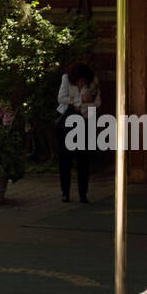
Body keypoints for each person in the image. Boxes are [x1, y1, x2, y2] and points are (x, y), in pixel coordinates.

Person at [55, 61, 100, 203]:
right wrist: (80, 101)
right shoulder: (66, 79)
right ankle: (65, 192)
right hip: (67, 121)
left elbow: (97, 102)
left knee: (83, 159)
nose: (81, 82)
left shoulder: (93, 84)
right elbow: (61, 98)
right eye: (79, 80)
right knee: (65, 158)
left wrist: (84, 100)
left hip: (85, 120)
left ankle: (83, 193)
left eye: (84, 81)